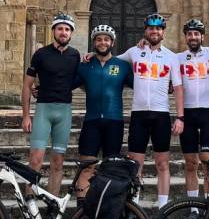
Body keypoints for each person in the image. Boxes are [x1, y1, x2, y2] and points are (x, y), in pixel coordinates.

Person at [113, 13, 184, 209]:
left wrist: (180, 117)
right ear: (146, 31)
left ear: (163, 32)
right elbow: (111, 60)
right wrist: (93, 54)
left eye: (158, 28)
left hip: (161, 115)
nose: (155, 31)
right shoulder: (134, 52)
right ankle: (134, 208)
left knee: (163, 164)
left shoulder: (171, 57)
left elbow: (178, 88)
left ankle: (163, 208)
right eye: (151, 28)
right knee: (136, 165)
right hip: (139, 115)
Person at [21, 13, 79, 197]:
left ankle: (53, 204)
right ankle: (29, 204)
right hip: (43, 110)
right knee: (35, 160)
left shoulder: (75, 55)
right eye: (60, 28)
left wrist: (92, 55)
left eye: (67, 29)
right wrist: (25, 115)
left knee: (58, 161)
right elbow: (27, 85)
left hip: (64, 111)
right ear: (53, 30)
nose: (63, 32)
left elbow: (85, 75)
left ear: (71, 33)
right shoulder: (41, 54)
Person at [73, 24, 133, 195]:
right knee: (86, 167)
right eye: (99, 39)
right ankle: (82, 210)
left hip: (114, 122)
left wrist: (169, 87)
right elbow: (65, 84)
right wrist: (40, 88)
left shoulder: (122, 65)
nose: (103, 42)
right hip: (91, 122)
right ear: (94, 42)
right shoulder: (85, 65)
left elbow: (142, 83)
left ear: (112, 43)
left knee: (111, 169)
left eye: (106, 39)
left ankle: (107, 207)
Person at [177, 18, 209, 219]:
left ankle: (208, 208)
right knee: (190, 164)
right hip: (187, 112)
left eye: (196, 34)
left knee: (208, 163)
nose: (193, 37)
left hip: (208, 112)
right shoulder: (177, 58)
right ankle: (193, 209)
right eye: (189, 34)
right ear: (185, 37)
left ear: (202, 36)